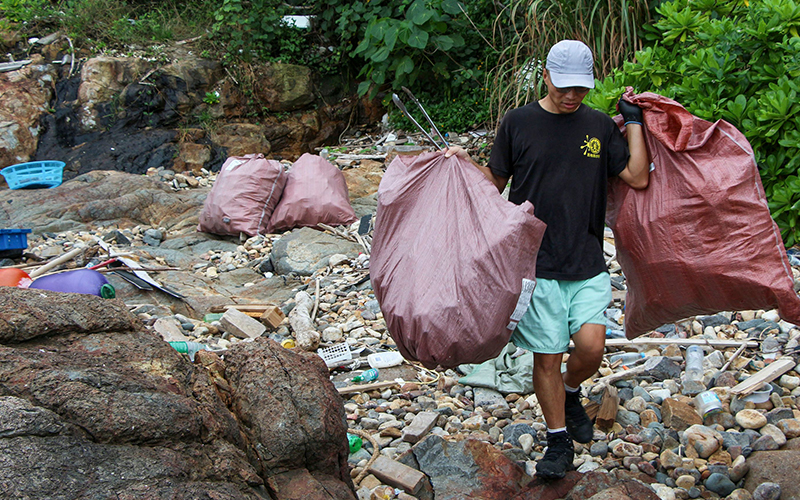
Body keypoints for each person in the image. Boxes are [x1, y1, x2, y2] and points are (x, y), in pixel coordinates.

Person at [445, 39, 649, 479]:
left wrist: (633, 124)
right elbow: (494, 182)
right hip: (536, 266)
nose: (572, 96)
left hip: (587, 259)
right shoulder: (518, 122)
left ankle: (572, 392)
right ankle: (558, 442)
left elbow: (636, 175)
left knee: (592, 347)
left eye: (581, 88)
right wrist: (464, 163)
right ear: (547, 76)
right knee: (547, 357)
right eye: (564, 86)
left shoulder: (597, 125)